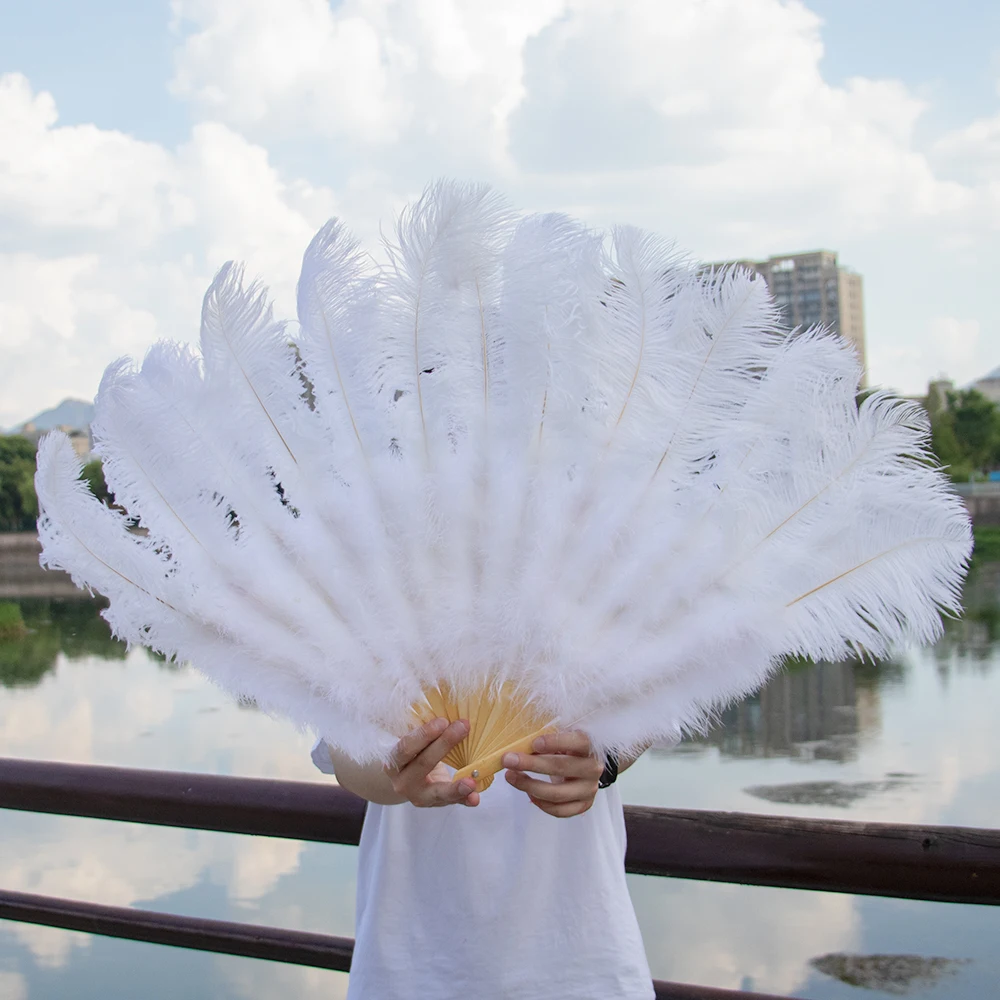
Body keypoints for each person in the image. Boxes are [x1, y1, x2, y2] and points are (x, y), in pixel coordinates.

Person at [313, 717, 655, 999]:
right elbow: (343, 751)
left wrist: (602, 760)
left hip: (586, 960)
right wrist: (397, 771)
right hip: (410, 962)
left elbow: (653, 703)